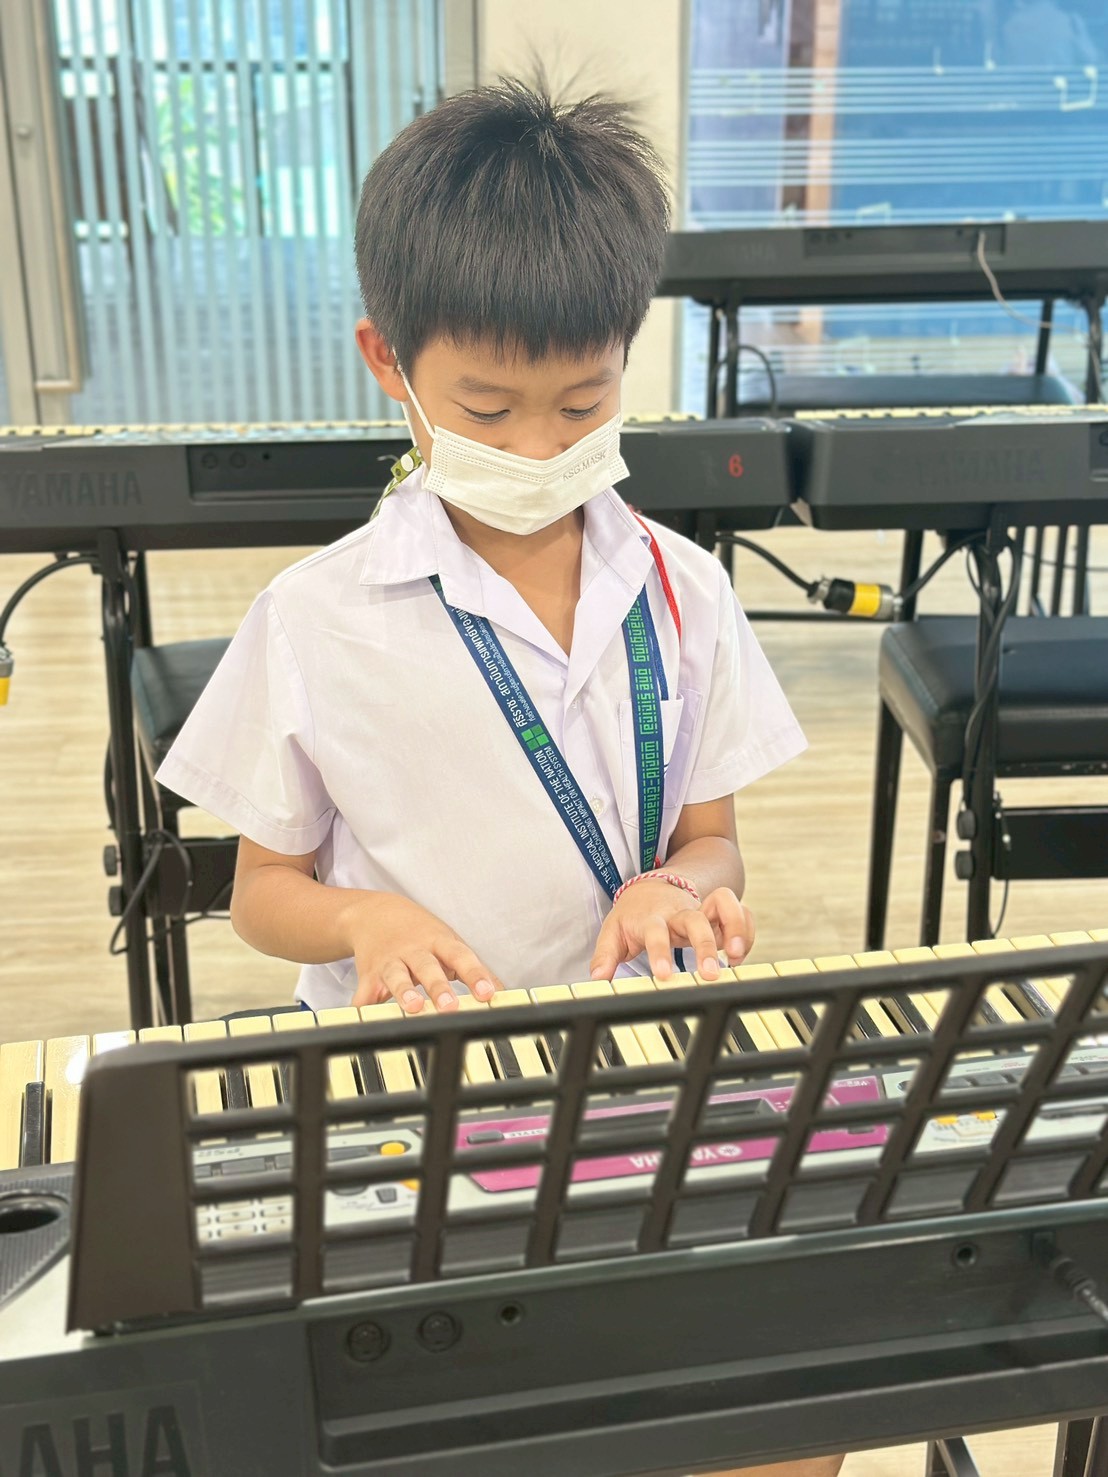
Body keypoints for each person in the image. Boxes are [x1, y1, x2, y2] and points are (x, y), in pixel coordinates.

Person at [158, 79, 837, 1477]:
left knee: (789, 1401)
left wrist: (678, 887)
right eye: (487, 406)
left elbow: (716, 844)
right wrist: (363, 919)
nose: (539, 448)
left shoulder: (684, 591)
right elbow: (262, 893)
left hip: (634, 1065)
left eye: (582, 402)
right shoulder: (318, 618)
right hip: (411, 1092)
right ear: (388, 362)